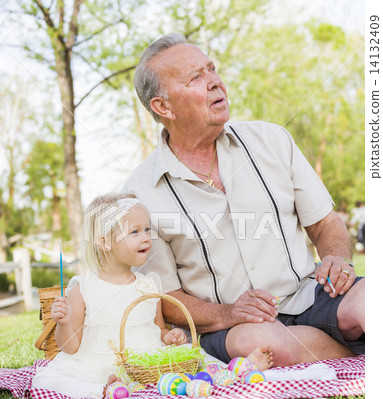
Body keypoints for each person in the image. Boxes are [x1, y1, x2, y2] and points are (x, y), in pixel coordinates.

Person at [122, 33, 365, 367]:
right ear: (163, 107)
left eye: (211, 70)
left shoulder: (273, 139)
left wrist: (338, 259)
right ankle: (357, 354)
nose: (215, 83)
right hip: (232, 325)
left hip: (310, 294)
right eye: (196, 78)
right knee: (266, 347)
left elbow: (325, 223)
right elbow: (165, 298)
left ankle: (334, 348)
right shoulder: (140, 193)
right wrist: (229, 313)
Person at [31, 193, 276, 399]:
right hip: (100, 364)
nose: (147, 237)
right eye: (135, 232)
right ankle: (102, 389)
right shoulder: (83, 289)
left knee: (197, 361)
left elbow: (158, 330)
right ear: (104, 242)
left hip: (148, 364)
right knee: (45, 380)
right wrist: (64, 323)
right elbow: (70, 347)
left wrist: (170, 336)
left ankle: (239, 370)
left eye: (147, 229)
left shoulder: (148, 286)